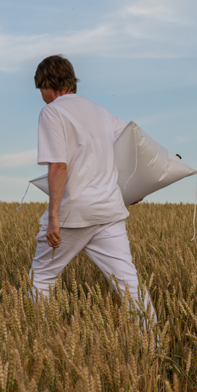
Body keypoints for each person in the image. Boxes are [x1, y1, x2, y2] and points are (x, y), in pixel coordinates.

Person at [29, 55, 156, 326]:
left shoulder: (52, 112)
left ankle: (40, 341)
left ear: (48, 83)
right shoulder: (100, 111)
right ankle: (153, 347)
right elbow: (134, 141)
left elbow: (59, 166)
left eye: (41, 88)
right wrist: (138, 188)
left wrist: (53, 217)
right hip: (109, 211)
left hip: (74, 213)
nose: (41, 95)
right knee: (129, 284)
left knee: (42, 277)